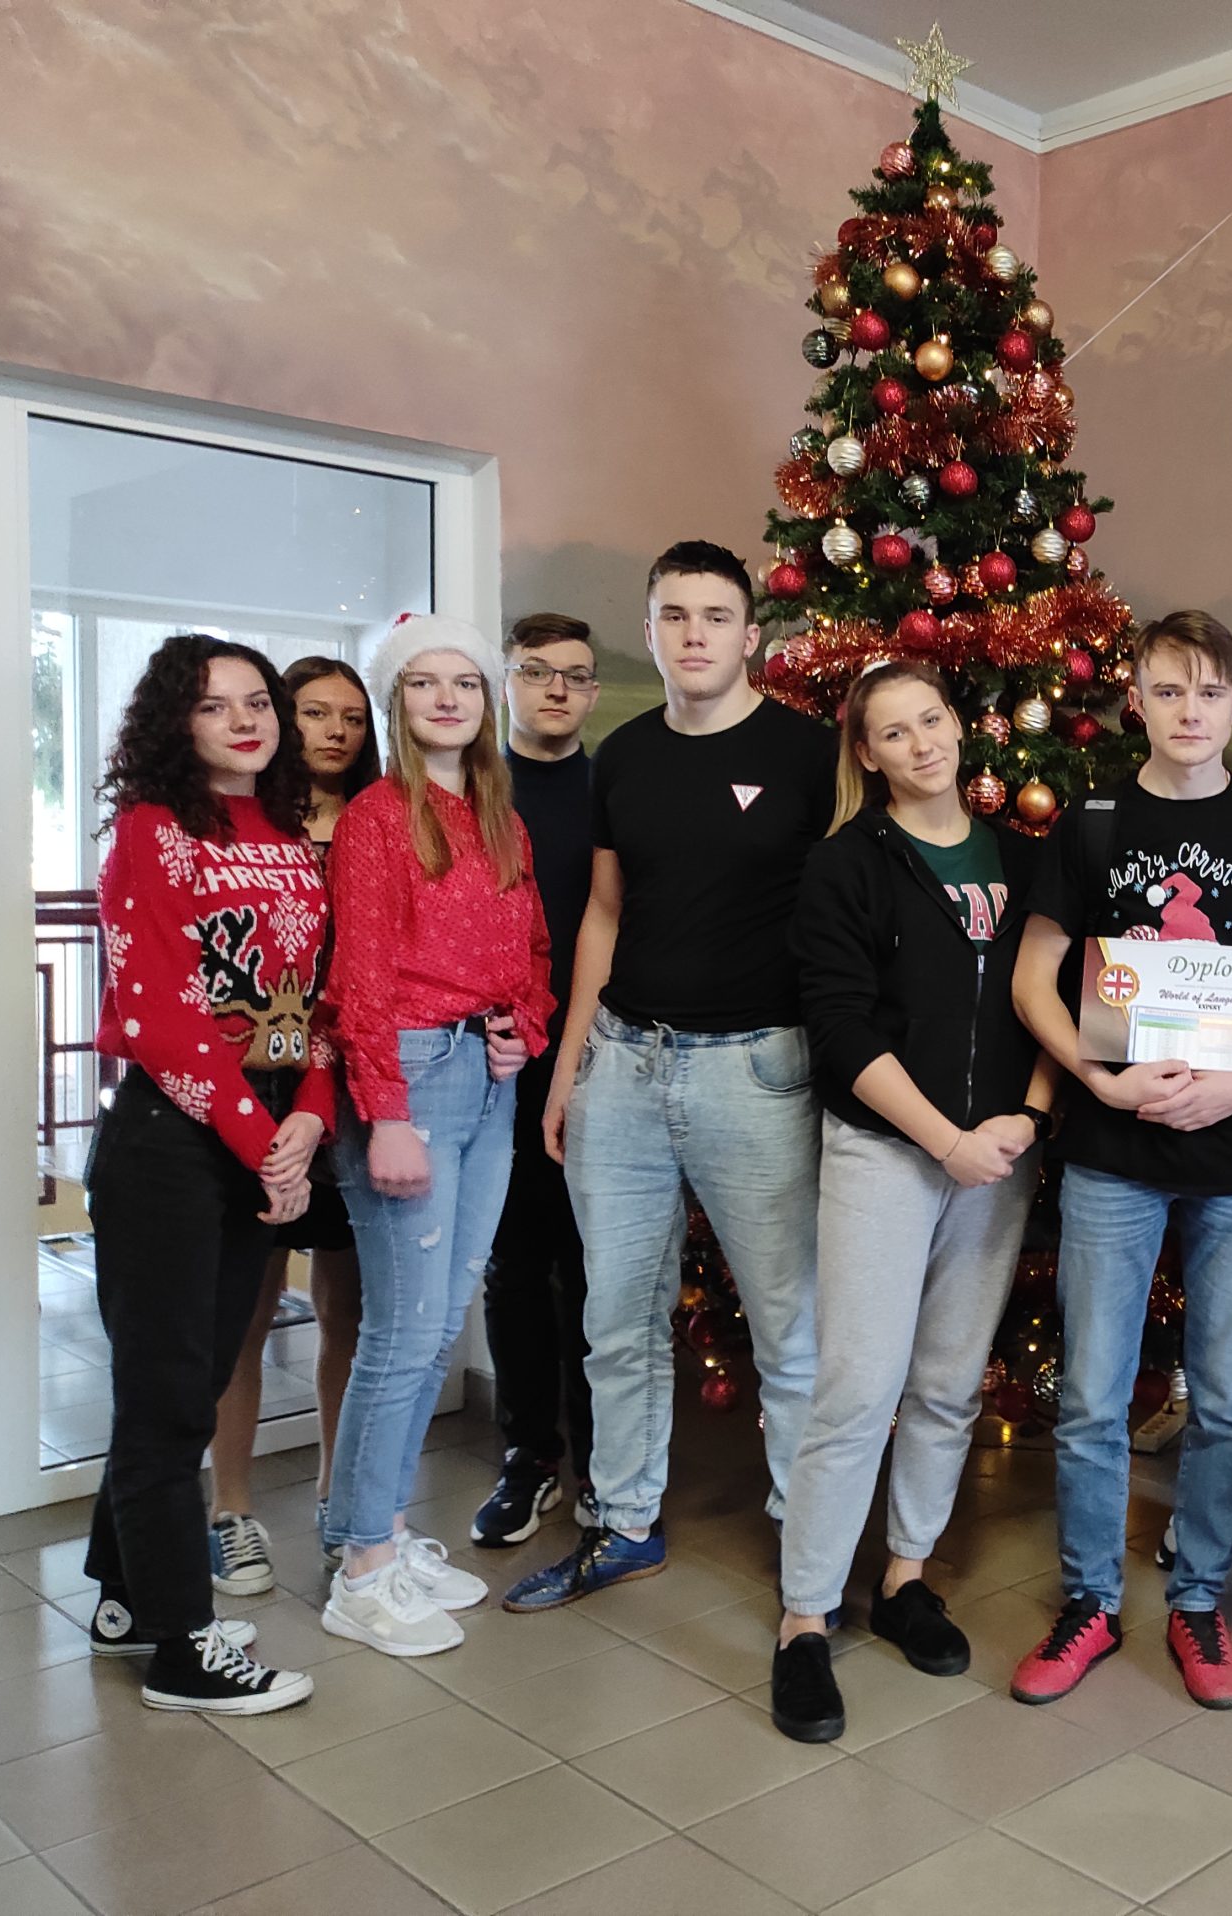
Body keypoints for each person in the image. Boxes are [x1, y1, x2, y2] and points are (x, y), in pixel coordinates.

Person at [1008, 612, 1232, 1710]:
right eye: (1166, 689)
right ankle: (1089, 1600)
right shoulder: (1092, 822)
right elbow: (1035, 979)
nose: (1188, 710)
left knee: (1229, 1397)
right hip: (1115, 1147)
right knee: (1093, 1396)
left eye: (1207, 692)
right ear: (1134, 700)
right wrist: (1095, 1082)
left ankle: (1198, 1597)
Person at [506, 541, 837, 1613]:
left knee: (788, 1331)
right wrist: (571, 1066)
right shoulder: (624, 756)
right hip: (624, 1066)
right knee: (616, 1321)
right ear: (649, 633)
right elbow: (603, 915)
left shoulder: (809, 753)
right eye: (674, 616)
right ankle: (624, 1522)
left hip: (758, 1072)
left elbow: (844, 918)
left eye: (715, 615)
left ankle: (811, 1549)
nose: (695, 634)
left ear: (751, 635)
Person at [768, 659, 1058, 1742]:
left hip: (1001, 1156)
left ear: (959, 725)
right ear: (868, 752)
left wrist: (1027, 1118)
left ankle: (904, 1577)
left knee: (945, 1383)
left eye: (931, 719)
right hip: (889, 1155)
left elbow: (1056, 997)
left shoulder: (1024, 859)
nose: (922, 743)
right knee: (856, 1388)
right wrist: (946, 1140)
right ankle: (805, 1619)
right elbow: (841, 1028)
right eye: (894, 732)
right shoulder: (847, 863)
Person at [84, 633, 326, 1714]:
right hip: (171, 1139)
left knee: (189, 1381)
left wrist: (309, 1119)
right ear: (174, 723)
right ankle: (184, 1646)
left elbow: (317, 1002)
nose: (244, 719)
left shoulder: (289, 834)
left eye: (258, 701)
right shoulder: (153, 831)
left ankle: (125, 1598)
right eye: (214, 704)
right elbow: (161, 1016)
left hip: (265, 1129)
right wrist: (260, 1140)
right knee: (168, 1395)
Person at [320, 615, 552, 1656]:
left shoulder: (502, 819)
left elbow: (534, 950)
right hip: (408, 1076)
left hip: (486, 1078)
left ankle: (379, 1529)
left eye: (465, 681)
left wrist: (523, 1028)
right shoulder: (378, 817)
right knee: (404, 1332)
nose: (448, 698)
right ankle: (361, 1566)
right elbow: (360, 976)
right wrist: (385, 1114)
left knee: (442, 1317)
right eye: (425, 683)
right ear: (396, 700)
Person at [208, 655, 374, 1596]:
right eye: (315, 712)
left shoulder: (381, 821)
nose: (335, 731)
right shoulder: (246, 824)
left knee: (348, 1314)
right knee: (246, 1308)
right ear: (282, 719)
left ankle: (335, 1499)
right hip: (260, 1092)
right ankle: (230, 1509)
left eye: (352, 716)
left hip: (355, 1091)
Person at [471, 613, 604, 1545]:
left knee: (599, 1272)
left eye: (576, 675)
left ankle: (603, 1461)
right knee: (515, 1268)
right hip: (495, 1068)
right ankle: (530, 1456)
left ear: (592, 691)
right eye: (536, 671)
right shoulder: (473, 791)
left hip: (601, 1063)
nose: (557, 689)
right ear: (507, 684)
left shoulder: (615, 791)